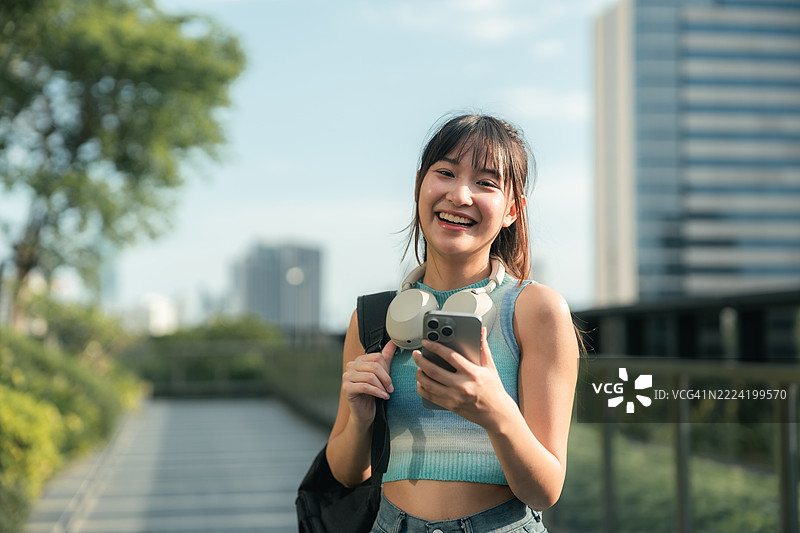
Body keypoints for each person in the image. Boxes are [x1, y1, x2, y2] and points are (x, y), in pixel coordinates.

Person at [326, 114, 579, 533]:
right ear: (419, 187)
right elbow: (347, 473)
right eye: (445, 173)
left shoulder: (536, 310)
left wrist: (495, 411)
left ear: (512, 210)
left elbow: (545, 491)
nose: (459, 195)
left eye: (485, 183)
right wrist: (361, 418)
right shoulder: (373, 319)